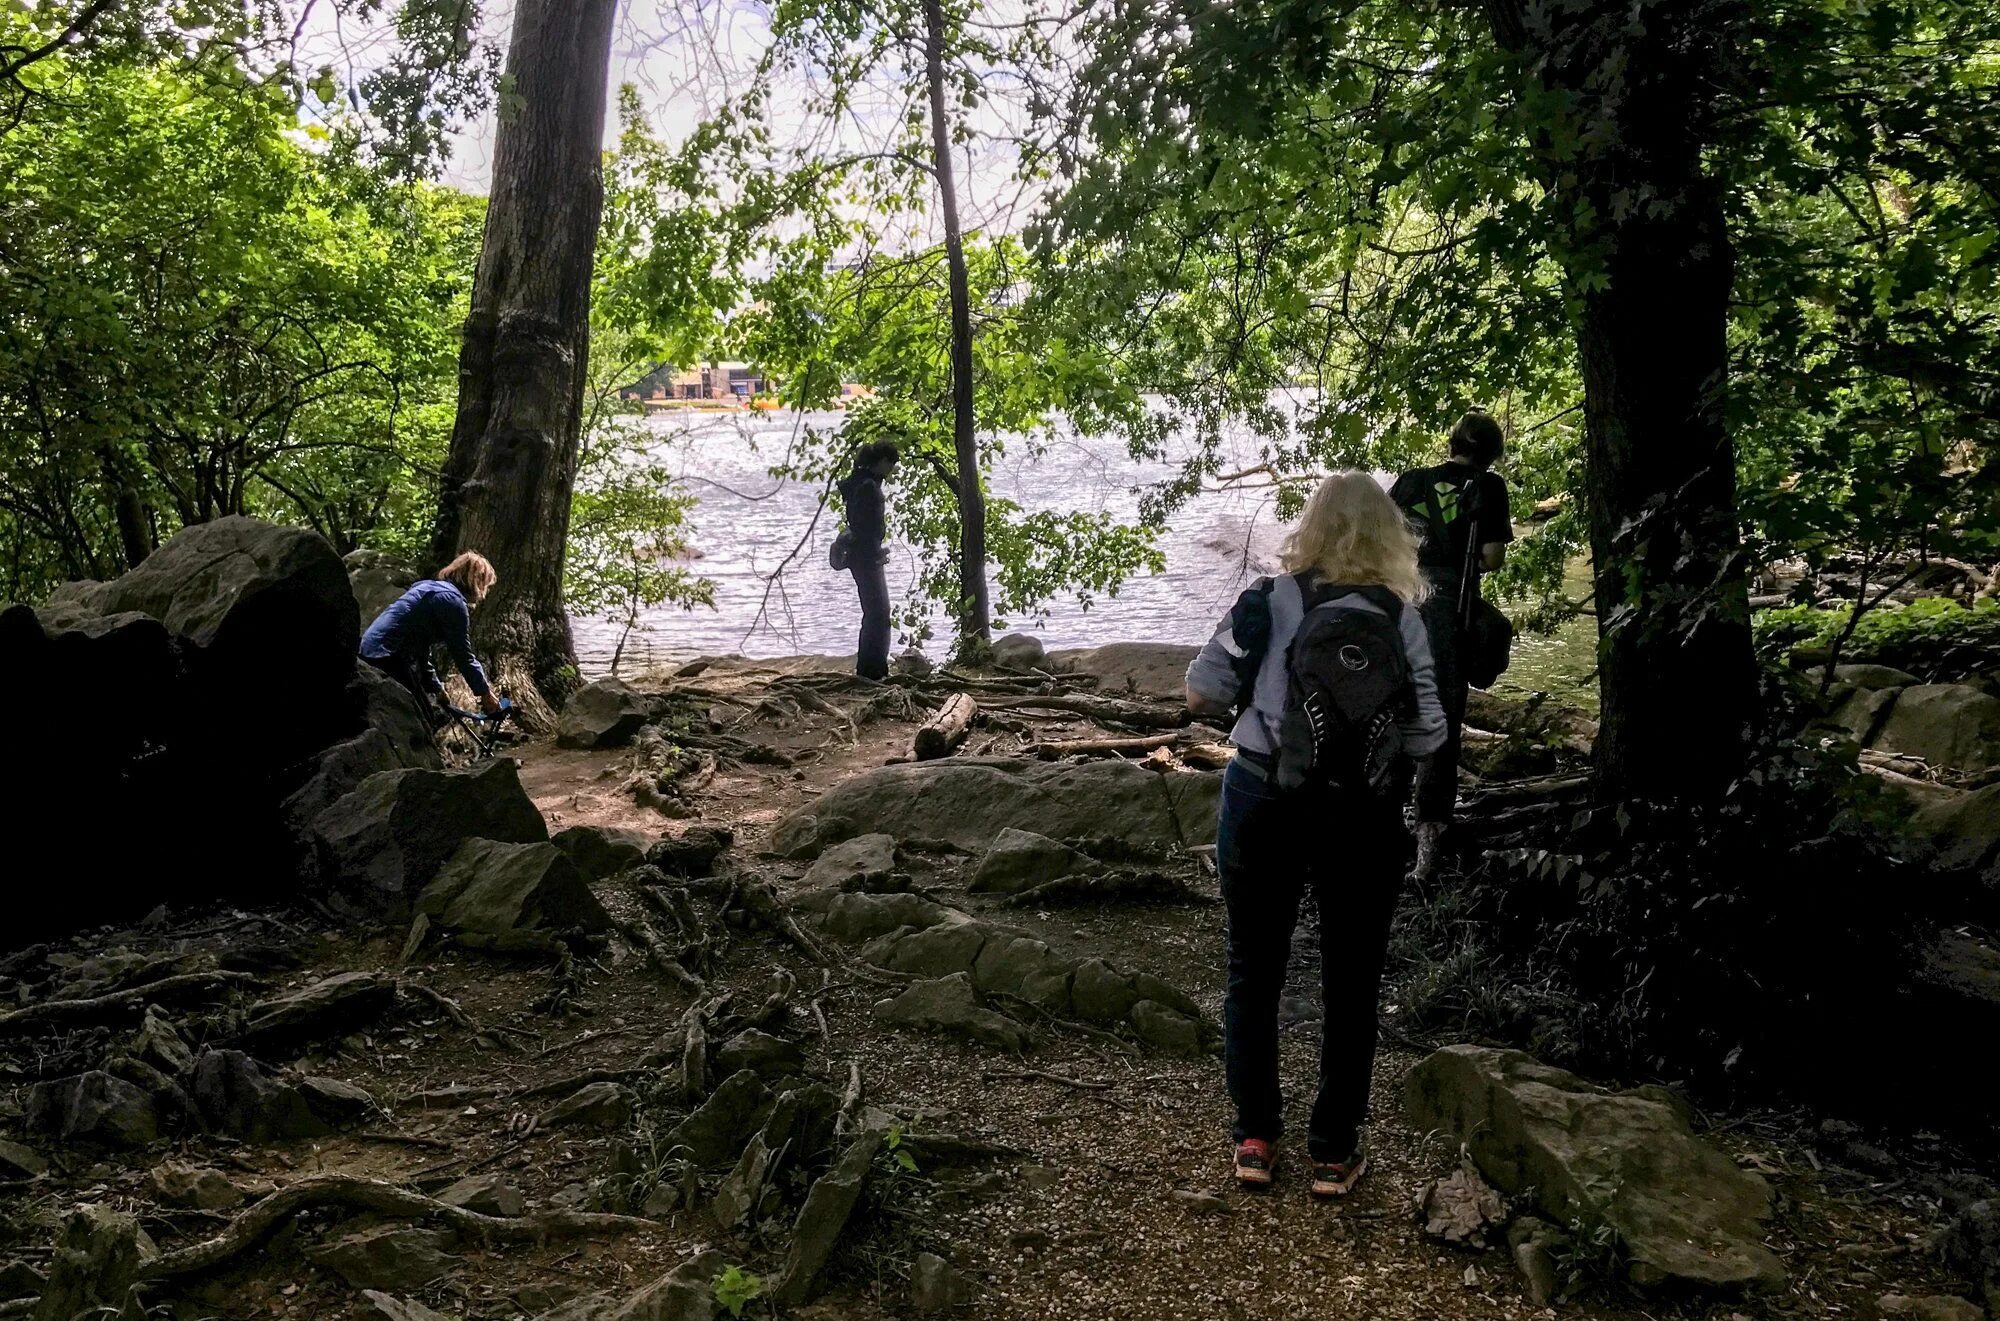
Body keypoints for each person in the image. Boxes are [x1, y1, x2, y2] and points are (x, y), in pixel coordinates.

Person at [1185, 471, 1446, 1198]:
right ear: (1390, 534)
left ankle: (1256, 1137)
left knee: (1253, 967)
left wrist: (1258, 692)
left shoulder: (1270, 599)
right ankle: (1333, 1151)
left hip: (1264, 792)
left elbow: (1200, 689)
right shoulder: (1399, 615)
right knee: (1352, 979)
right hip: (1361, 813)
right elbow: (1430, 732)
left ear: (1313, 526)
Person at [1388, 412, 1514, 857]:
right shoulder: (1489, 486)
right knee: (1443, 706)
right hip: (1450, 606)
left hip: (1401, 600)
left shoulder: (1410, 481)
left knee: (1397, 701)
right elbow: (1493, 558)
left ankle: (1385, 807)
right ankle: (1432, 820)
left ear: (1452, 443)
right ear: (1491, 452)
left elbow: (1385, 540)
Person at [360, 551, 503, 717]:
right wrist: (485, 694)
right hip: (387, 655)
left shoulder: (428, 589)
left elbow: (421, 646)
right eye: (485, 585)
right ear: (476, 581)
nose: (484, 593)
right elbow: (463, 656)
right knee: (417, 715)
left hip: (371, 648)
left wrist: (436, 687)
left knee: (421, 711)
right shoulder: (452, 601)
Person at [836, 441, 899, 681]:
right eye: (890, 463)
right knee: (879, 614)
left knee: (874, 613)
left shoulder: (861, 483)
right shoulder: (868, 487)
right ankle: (873, 671)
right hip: (866, 558)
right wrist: (875, 555)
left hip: (863, 556)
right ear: (881, 461)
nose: (892, 468)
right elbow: (866, 528)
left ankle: (870, 668)